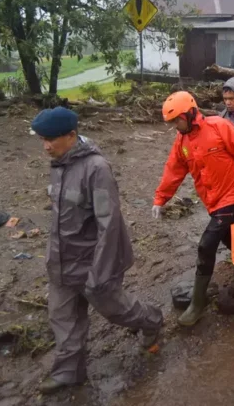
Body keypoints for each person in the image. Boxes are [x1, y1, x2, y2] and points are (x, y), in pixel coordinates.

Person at [32, 107, 163, 395]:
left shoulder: (96, 169)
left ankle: (152, 320)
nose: (45, 146)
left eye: (51, 140)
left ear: (71, 135)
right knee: (63, 318)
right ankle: (69, 372)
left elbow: (109, 223)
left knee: (117, 311)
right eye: (42, 139)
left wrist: (101, 271)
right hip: (61, 263)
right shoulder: (58, 165)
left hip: (92, 263)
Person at [152, 92, 234, 326]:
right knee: (232, 239)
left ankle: (197, 304)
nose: (174, 127)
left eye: (176, 121)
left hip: (233, 195)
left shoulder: (219, 126)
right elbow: (173, 171)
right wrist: (160, 199)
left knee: (207, 245)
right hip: (213, 201)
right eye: (171, 123)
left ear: (190, 113)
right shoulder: (182, 142)